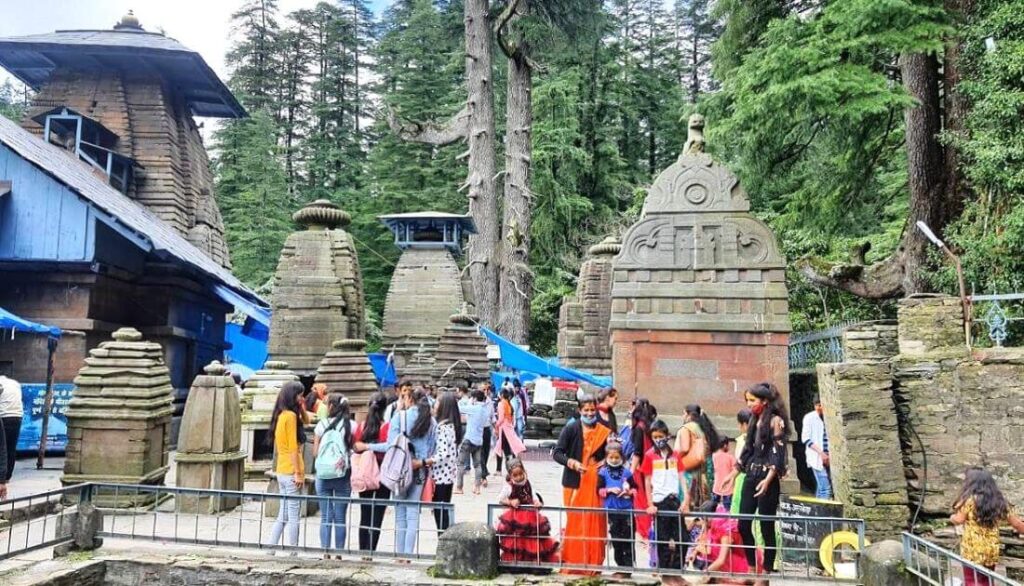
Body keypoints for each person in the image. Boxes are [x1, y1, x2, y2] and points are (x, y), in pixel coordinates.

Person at [356, 387, 436, 557]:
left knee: (400, 514)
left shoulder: (400, 417)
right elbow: (433, 449)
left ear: (410, 400)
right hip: (420, 469)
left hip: (399, 469)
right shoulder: (431, 421)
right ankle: (408, 556)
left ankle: (399, 556)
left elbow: (390, 445)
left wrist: (367, 446)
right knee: (413, 514)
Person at [737, 382, 791, 577]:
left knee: (766, 525)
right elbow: (748, 450)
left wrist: (768, 480)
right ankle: (752, 568)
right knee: (743, 523)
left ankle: (766, 572)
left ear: (765, 401)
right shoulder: (754, 420)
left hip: (767, 479)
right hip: (751, 475)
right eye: (747, 401)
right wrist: (734, 472)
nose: (749, 404)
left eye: (752, 400)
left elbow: (778, 453)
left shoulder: (775, 421)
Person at [552, 393, 610, 575]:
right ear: (580, 410)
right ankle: (575, 562)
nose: (590, 413)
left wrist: (605, 462)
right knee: (576, 523)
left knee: (595, 523)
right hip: (573, 483)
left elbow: (611, 455)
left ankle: (593, 564)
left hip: (594, 484)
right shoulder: (571, 429)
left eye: (593, 410)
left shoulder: (604, 430)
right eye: (586, 410)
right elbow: (557, 453)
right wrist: (573, 463)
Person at [950, 467, 1024, 586]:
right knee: (987, 580)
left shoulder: (969, 500)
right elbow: (1017, 524)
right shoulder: (999, 502)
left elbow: (959, 519)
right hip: (990, 547)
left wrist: (952, 518)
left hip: (972, 547)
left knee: (971, 579)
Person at [641, 419, 689, 584]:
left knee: (683, 537)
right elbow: (647, 481)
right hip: (659, 501)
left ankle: (677, 570)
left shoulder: (675, 455)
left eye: (661, 436)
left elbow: (682, 478)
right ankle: (666, 573)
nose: (658, 439)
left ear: (667, 436)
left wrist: (686, 500)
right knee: (662, 538)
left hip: (674, 500)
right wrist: (650, 504)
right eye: (655, 436)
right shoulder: (649, 455)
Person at [496, 458, 560, 564]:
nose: (519, 477)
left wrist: (536, 502)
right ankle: (518, 560)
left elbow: (533, 494)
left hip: (531, 515)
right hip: (515, 517)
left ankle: (533, 559)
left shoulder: (528, 483)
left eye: (521, 474)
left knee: (533, 537)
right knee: (517, 539)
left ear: (524, 471)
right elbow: (501, 498)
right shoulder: (508, 486)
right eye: (515, 476)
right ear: (510, 475)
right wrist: (510, 502)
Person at [313, 393, 355, 554]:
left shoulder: (321, 425)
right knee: (340, 517)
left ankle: (325, 552)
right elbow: (352, 450)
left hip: (323, 474)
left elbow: (316, 452)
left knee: (325, 516)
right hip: (342, 474)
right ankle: (339, 553)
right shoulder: (350, 425)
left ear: (330, 406)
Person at [267, 381, 306, 550]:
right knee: (293, 515)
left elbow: (307, 420)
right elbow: (292, 447)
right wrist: (298, 472)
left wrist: (302, 406)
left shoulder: (282, 415)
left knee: (282, 515)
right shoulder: (289, 417)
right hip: (291, 471)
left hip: (282, 470)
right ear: (292, 396)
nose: (302, 398)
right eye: (299, 395)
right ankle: (293, 551)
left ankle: (271, 548)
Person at [354, 392, 391, 553]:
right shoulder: (387, 427)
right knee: (377, 515)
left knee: (365, 513)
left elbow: (355, 447)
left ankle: (363, 551)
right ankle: (371, 550)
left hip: (365, 473)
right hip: (383, 473)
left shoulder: (361, 427)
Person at [598, 441, 636, 576]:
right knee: (616, 539)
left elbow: (635, 489)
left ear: (622, 458)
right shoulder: (603, 472)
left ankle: (628, 568)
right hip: (612, 510)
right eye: (611, 457)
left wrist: (628, 492)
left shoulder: (627, 473)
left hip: (626, 510)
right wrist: (609, 490)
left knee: (628, 538)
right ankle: (620, 566)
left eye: (617, 458)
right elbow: (599, 490)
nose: (614, 460)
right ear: (607, 458)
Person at [690, 500, 752, 584]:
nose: (703, 522)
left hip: (741, 565)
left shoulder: (726, 532)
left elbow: (721, 559)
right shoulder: (715, 524)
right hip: (728, 561)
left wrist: (704, 574)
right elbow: (704, 539)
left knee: (712, 549)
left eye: (703, 519)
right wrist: (695, 552)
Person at [428, 392, 462, 533]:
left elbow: (442, 453)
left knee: (440, 513)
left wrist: (427, 461)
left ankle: (443, 541)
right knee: (444, 510)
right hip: (448, 474)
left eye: (437, 402)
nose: (435, 405)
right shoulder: (451, 426)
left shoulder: (442, 427)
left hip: (440, 475)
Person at [675, 404, 721, 506]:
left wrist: (675, 458)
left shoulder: (687, 428)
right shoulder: (703, 429)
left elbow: (685, 447)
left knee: (688, 503)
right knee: (703, 505)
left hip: (690, 470)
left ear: (689, 415)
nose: (683, 417)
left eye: (683, 414)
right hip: (704, 472)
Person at [629, 398, 658, 542]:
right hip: (651, 466)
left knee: (641, 500)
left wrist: (629, 472)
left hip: (641, 468)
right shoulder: (649, 427)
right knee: (648, 499)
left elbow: (637, 452)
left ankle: (645, 532)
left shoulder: (639, 428)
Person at [456, 389, 489, 495]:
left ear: (474, 398)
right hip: (479, 441)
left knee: (460, 463)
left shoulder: (474, 408)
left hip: (469, 439)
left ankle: (459, 487)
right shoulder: (485, 410)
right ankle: (477, 487)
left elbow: (459, 409)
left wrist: (469, 402)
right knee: (478, 465)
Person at [801, 396, 831, 500]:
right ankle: (824, 515)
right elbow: (806, 439)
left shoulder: (829, 417)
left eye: (822, 405)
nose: (820, 407)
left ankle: (817, 512)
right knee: (825, 488)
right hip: (816, 456)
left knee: (820, 487)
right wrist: (821, 453)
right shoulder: (809, 418)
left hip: (829, 457)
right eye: (818, 405)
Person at [494, 386, 526, 473]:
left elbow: (500, 419)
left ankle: (510, 469)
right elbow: (511, 419)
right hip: (508, 429)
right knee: (500, 449)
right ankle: (500, 469)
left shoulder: (501, 404)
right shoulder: (509, 404)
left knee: (505, 451)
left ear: (501, 395)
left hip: (503, 430)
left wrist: (496, 426)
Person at [0, 374, 22, 498]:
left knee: (3, 447)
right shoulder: (15, 383)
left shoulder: (2, 384)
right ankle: (7, 476)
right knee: (10, 448)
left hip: (4, 415)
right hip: (17, 416)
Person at [730, 409, 752, 515]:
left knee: (740, 504)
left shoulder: (744, 440)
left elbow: (740, 459)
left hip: (743, 475)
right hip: (747, 475)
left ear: (744, 424)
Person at [712, 438, 738, 510]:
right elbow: (736, 470)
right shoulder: (730, 457)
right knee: (727, 510)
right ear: (725, 445)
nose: (729, 447)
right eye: (728, 445)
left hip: (716, 487)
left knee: (712, 509)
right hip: (728, 488)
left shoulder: (713, 456)